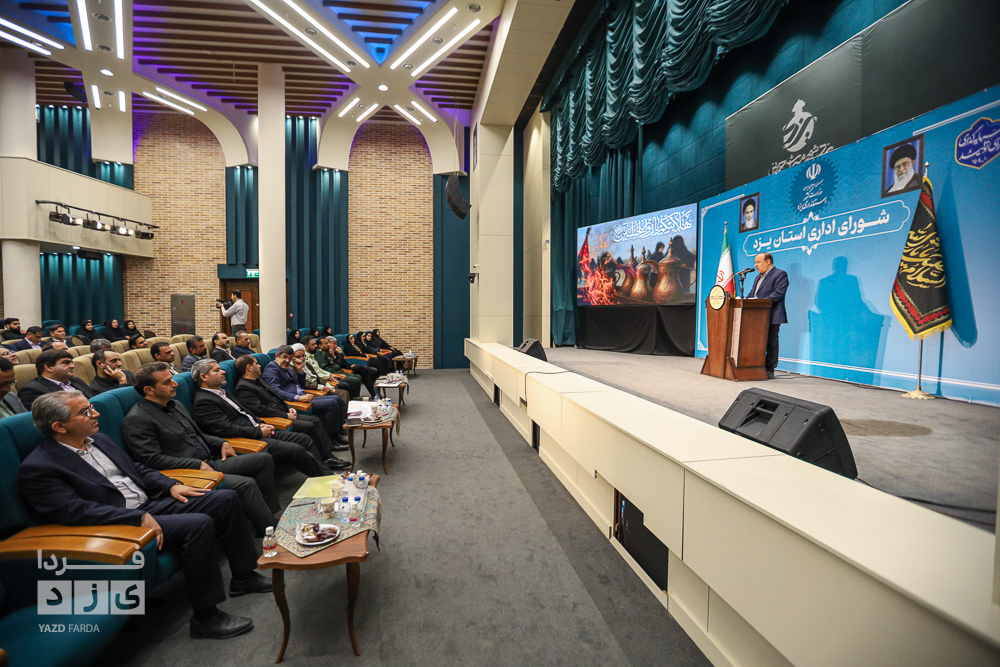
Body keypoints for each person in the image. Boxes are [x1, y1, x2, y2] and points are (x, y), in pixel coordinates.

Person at [19, 391, 270, 640]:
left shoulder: (100, 440)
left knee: (225, 499)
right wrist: (135, 518)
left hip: (151, 504)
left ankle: (244, 577)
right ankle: (206, 618)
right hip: (119, 524)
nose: (95, 414)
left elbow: (135, 469)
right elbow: (74, 510)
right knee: (198, 524)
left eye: (91, 407)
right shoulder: (39, 467)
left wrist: (170, 485)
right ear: (59, 426)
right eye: (85, 412)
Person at [122, 362, 278, 536]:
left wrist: (221, 442)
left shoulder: (175, 405)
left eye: (172, 379)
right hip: (189, 473)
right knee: (245, 484)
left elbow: (197, 434)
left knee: (263, 459)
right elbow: (151, 460)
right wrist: (196, 464)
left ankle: (267, 517)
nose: (175, 383)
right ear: (149, 390)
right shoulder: (137, 419)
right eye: (167, 382)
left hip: (210, 461)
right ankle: (270, 531)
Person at [190, 360, 328, 477]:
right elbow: (225, 429)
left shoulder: (222, 392)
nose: (223, 372)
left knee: (304, 439)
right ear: (204, 377)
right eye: (217, 370)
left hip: (258, 429)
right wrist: (259, 431)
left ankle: (325, 472)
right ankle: (322, 481)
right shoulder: (203, 401)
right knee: (296, 450)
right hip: (248, 438)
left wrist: (260, 422)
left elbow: (246, 412)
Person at [233, 354, 348, 466]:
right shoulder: (243, 388)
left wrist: (289, 407)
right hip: (276, 418)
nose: (259, 366)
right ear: (249, 367)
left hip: (284, 410)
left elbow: (277, 397)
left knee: (315, 421)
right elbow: (260, 410)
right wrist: (285, 415)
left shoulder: (258, 380)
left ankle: (327, 455)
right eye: (256, 364)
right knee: (309, 425)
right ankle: (325, 459)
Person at [261, 345, 349, 445]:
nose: (287, 361)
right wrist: (298, 397)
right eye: (284, 357)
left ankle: (336, 433)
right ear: (277, 356)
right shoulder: (271, 369)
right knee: (332, 403)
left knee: (337, 398)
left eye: (289, 358)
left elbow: (300, 385)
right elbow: (275, 391)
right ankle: (332, 439)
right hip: (293, 402)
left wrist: (300, 371)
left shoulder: (286, 368)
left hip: (302, 396)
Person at [748, 252, 789, 379]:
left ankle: (769, 369)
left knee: (771, 342)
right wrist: (744, 300)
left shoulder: (780, 274)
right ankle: (755, 367)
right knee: (755, 342)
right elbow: (753, 293)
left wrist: (760, 302)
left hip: (772, 315)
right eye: (755, 262)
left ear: (768, 262)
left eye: (758, 262)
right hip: (756, 316)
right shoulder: (758, 277)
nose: (755, 265)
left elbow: (778, 293)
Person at [18, 349, 95, 409]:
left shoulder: (77, 381)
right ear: (48, 367)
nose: (72, 366)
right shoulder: (31, 391)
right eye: (66, 363)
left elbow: (94, 401)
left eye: (72, 362)